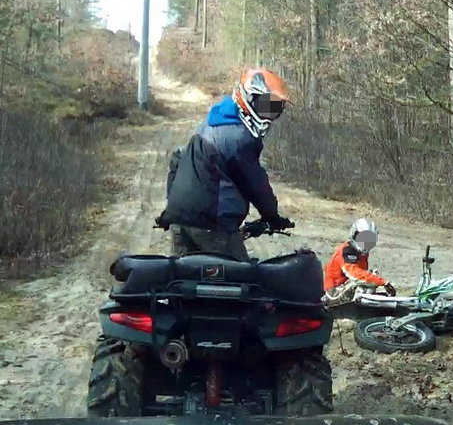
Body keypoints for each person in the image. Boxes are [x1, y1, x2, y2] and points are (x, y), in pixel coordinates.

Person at [155, 68, 295, 261]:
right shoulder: (238, 137)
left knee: (184, 277)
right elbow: (255, 183)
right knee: (244, 281)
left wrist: (173, 208)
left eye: (275, 109)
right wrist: (272, 216)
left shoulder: (212, 123)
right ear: (247, 98)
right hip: (213, 225)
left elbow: (178, 159)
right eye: (265, 106)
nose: (269, 115)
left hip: (181, 221)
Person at [323, 218, 396, 305]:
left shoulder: (361, 253)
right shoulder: (347, 251)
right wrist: (383, 282)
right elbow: (355, 274)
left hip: (343, 289)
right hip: (333, 293)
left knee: (372, 274)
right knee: (361, 281)